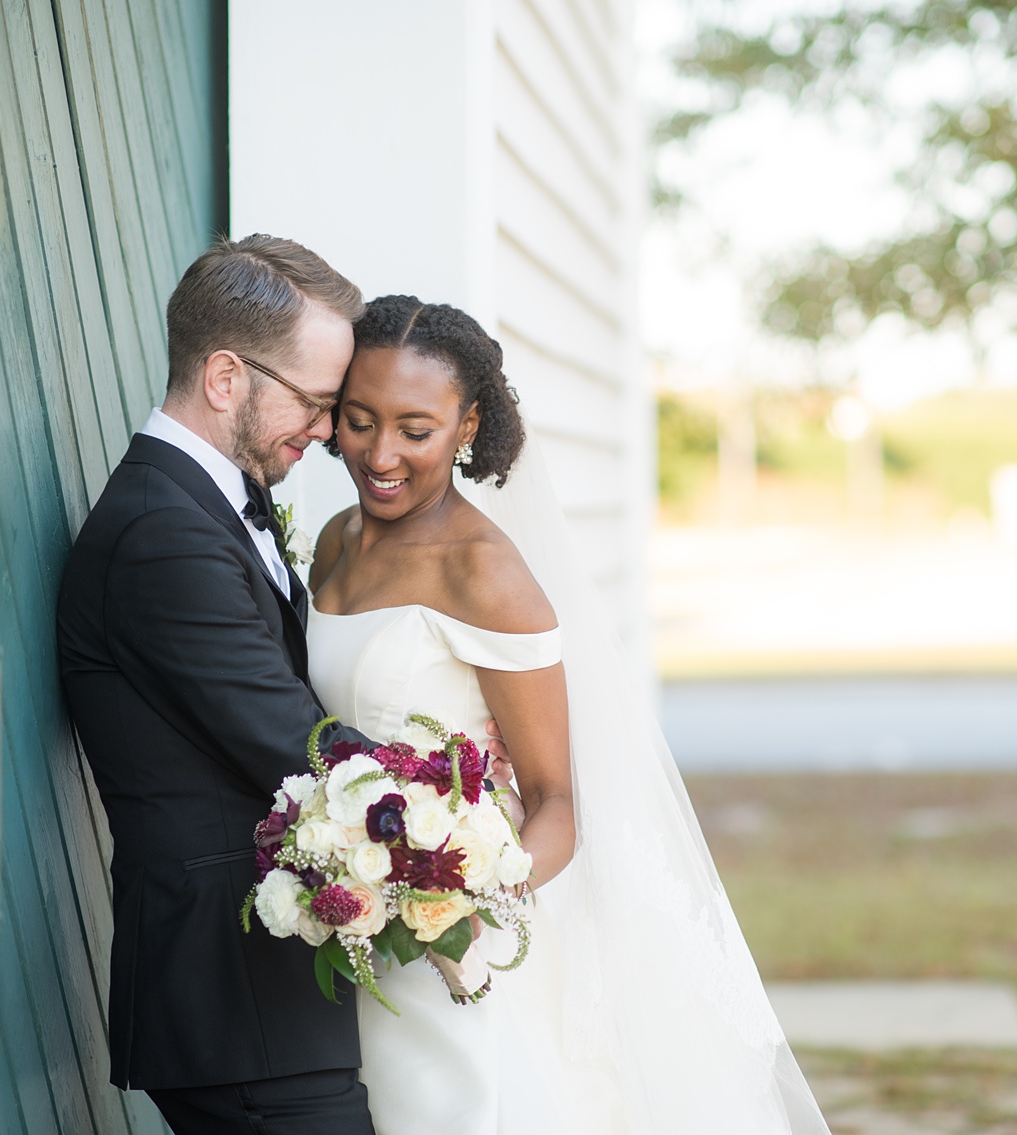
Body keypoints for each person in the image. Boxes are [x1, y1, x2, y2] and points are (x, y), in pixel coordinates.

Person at [307, 296, 832, 1134]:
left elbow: (556, 804)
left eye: (416, 428)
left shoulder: (486, 575)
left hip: (455, 942)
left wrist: (459, 903)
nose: (380, 454)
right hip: (351, 926)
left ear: (467, 425)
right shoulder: (336, 540)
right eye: (358, 419)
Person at [57, 235, 380, 1134]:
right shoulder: (163, 533)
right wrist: (453, 790)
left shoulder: (207, 502)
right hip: (236, 996)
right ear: (227, 377)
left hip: (267, 1004)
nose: (324, 432)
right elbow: (295, 742)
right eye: (314, 403)